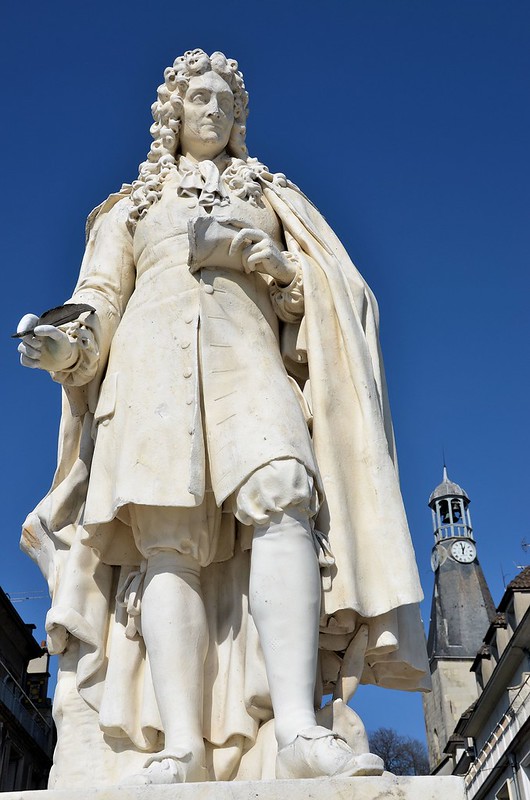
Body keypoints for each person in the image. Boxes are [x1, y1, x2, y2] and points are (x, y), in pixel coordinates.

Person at [17, 49, 428, 786]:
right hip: (148, 378)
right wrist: (63, 343)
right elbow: (98, 301)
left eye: (225, 102)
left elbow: (331, 300)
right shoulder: (130, 209)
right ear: (173, 112)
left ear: (239, 118)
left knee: (284, 497)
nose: (212, 110)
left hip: (249, 370)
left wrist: (267, 261)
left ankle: (298, 726)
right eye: (198, 98)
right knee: (165, 540)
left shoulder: (271, 196)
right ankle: (181, 744)